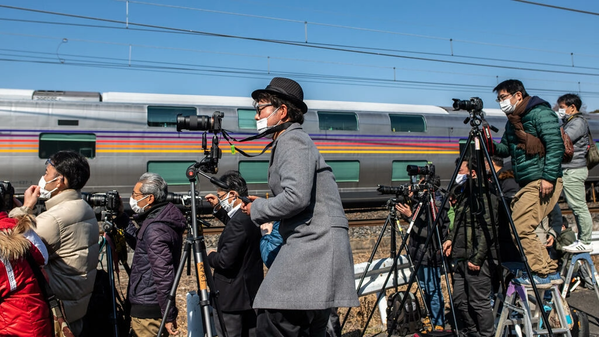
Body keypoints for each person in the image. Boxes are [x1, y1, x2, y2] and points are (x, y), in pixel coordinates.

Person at [241, 77, 359, 336]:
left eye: (260, 108)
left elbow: (296, 197)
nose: (256, 115)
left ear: (281, 112)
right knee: (301, 324)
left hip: (313, 247)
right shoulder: (289, 140)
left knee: (275, 318)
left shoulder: (292, 141)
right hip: (314, 248)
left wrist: (259, 209)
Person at [10, 150, 99, 336]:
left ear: (60, 181)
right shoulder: (83, 207)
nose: (43, 177)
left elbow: (13, 246)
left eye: (46, 173)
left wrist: (25, 208)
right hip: (74, 306)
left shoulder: (55, 218)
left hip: (57, 313)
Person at [491, 79, 564, 288]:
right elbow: (505, 149)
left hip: (542, 179)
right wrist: (488, 142)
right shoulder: (512, 121)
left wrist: (549, 177)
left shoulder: (540, 114)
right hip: (527, 181)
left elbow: (555, 145)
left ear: (518, 95)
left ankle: (543, 270)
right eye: (499, 99)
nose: (501, 102)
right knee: (520, 226)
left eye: (503, 98)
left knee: (521, 226)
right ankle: (546, 269)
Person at [123, 173, 185, 336]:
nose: (132, 198)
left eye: (135, 195)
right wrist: (122, 219)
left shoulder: (155, 228)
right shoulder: (161, 218)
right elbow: (142, 247)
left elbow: (164, 275)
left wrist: (169, 315)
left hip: (148, 309)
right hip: (151, 302)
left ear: (150, 198)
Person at [204, 171, 263, 337]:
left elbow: (224, 261)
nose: (220, 199)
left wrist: (210, 254)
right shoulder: (249, 215)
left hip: (231, 298)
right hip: (249, 293)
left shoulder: (238, 222)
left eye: (220, 196)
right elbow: (237, 230)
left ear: (233, 194)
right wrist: (218, 208)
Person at [443, 158, 497, 337]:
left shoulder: (484, 195)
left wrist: (477, 258)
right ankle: (472, 333)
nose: (457, 174)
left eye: (460, 170)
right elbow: (459, 221)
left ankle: (486, 334)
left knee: (478, 302)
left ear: (472, 173)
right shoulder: (466, 194)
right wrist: (450, 239)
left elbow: (488, 228)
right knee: (460, 300)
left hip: (475, 258)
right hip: (460, 255)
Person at [395, 176, 449, 331]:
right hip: (418, 252)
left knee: (432, 289)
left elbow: (430, 232)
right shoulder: (422, 203)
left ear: (429, 188)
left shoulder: (436, 205)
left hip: (430, 253)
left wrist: (411, 215)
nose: (417, 189)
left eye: (420, 187)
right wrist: (409, 205)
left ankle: (438, 323)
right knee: (426, 287)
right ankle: (432, 319)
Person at [0, 189, 52, 337]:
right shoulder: (15, 227)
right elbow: (43, 257)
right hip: (34, 322)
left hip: (13, 330)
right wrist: (22, 212)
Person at [555, 94, 594, 254]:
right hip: (570, 168)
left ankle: (585, 241)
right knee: (576, 206)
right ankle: (582, 240)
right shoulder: (570, 122)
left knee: (579, 207)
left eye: (562, 107)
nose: (559, 110)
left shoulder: (577, 122)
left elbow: (564, 138)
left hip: (574, 169)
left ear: (572, 107)